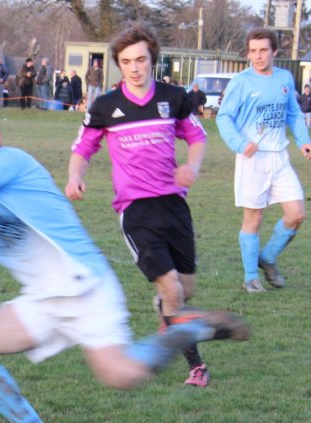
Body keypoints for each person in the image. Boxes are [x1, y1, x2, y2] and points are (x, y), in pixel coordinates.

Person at [0, 102, 248, 423]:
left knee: (122, 375)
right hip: (43, 298)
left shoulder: (8, 161)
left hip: (85, 284)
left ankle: (188, 329)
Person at [67, 23, 213, 387]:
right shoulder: (105, 106)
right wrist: (75, 176)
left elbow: (197, 136)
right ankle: (196, 366)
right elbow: (83, 147)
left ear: (153, 60)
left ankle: (165, 307)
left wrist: (192, 167)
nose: (134, 68)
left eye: (141, 60)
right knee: (173, 290)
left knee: (186, 289)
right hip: (135, 210)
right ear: (119, 64)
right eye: (127, 61)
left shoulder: (173, 97)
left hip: (174, 205)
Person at [216, 28, 311, 293]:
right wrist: (240, 144)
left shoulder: (284, 78)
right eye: (253, 51)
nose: (258, 56)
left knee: (296, 215)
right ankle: (251, 277)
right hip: (252, 159)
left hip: (280, 157)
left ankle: (268, 258)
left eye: (263, 50)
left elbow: (293, 113)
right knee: (254, 218)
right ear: (248, 53)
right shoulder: (241, 82)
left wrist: (304, 140)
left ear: (274, 51)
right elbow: (223, 118)